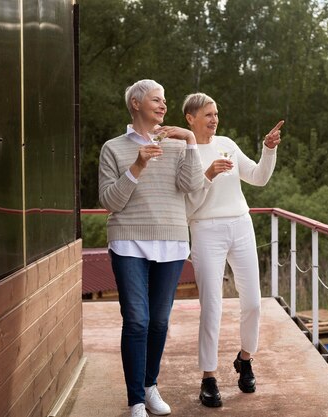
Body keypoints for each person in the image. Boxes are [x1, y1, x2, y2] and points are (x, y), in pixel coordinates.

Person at [99, 80, 204, 417]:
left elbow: (192, 186)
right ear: (135, 103)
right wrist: (138, 165)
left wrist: (189, 140)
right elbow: (110, 201)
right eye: (156, 99)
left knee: (159, 321)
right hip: (128, 240)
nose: (163, 105)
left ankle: (150, 386)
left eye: (165, 100)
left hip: (172, 241)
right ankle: (136, 401)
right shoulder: (113, 148)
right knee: (137, 321)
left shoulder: (177, 145)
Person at [182, 92, 283, 407]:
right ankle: (209, 377)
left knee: (252, 301)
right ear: (191, 118)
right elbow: (188, 204)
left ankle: (245, 358)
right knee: (212, 306)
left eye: (216, 113)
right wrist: (209, 174)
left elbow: (258, 177)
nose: (214, 119)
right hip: (205, 229)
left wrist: (268, 150)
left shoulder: (227, 142)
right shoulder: (183, 152)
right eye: (208, 114)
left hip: (241, 225)